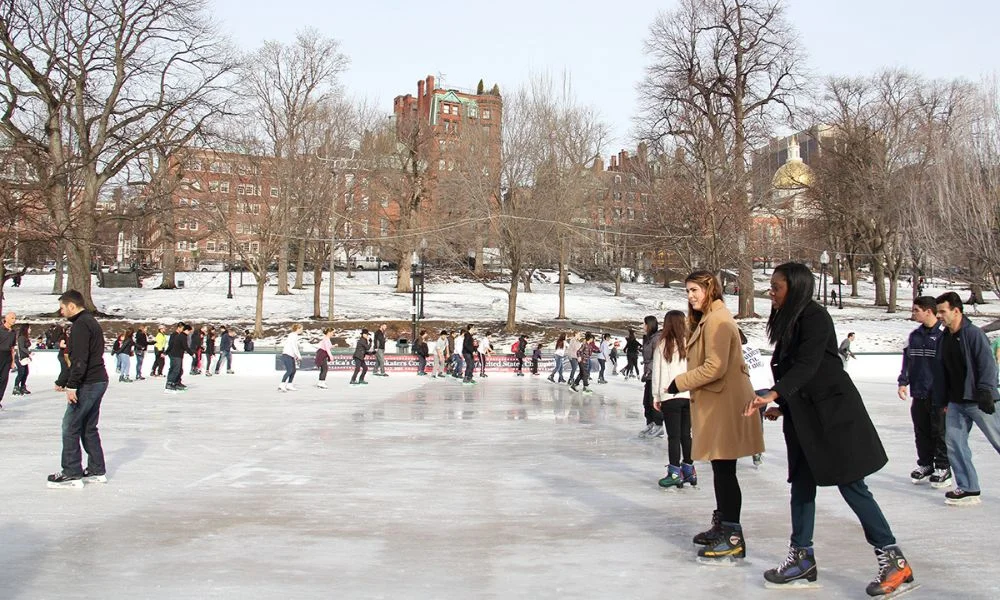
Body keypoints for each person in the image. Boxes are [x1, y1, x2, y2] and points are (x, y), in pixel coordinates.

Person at [746, 263, 912, 596]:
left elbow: (809, 365)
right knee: (802, 486)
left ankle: (893, 559)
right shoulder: (792, 321)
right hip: (806, 417)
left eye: (776, 287)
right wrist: (784, 406)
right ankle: (802, 558)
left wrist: (775, 392)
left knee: (852, 485)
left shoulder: (814, 316)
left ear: (795, 286)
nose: (771, 292)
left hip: (833, 417)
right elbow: (800, 371)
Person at [668, 271, 763, 564]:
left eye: (695, 290)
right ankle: (723, 525)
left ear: (711, 289)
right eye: (687, 291)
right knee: (722, 469)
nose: (691, 296)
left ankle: (732, 536)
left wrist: (680, 382)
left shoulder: (719, 321)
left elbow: (716, 367)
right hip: (718, 403)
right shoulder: (710, 318)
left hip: (725, 404)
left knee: (725, 471)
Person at [935, 291, 1000, 506]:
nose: (939, 316)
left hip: (979, 400)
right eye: (938, 312)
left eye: (943, 311)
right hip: (956, 401)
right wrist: (943, 400)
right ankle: (968, 488)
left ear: (956, 310)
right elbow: (944, 371)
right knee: (954, 443)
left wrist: (985, 391)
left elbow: (987, 364)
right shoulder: (944, 337)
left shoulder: (973, 334)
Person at [47, 290, 110, 488]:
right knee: (88, 427)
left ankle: (71, 471)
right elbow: (77, 357)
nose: (61, 311)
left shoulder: (81, 326)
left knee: (70, 425)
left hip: (89, 382)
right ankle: (96, 470)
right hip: (98, 380)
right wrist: (63, 380)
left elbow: (80, 359)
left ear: (72, 306)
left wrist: (72, 385)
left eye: (63, 308)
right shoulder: (90, 321)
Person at [897, 296, 950, 487]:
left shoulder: (943, 335)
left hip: (937, 393)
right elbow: (908, 362)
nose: (913, 313)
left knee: (939, 431)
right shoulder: (914, 336)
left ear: (928, 311)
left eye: (916, 310)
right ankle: (926, 464)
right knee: (921, 431)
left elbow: (949, 366)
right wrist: (903, 382)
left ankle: (943, 466)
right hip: (918, 392)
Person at [652, 310, 693, 488]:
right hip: (688, 394)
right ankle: (689, 470)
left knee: (674, 436)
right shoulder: (690, 344)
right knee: (686, 434)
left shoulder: (663, 345)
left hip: (669, 395)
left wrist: (656, 396)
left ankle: (675, 471)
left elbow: (657, 372)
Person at [740, 328, 773, 468]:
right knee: (758, 420)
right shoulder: (753, 348)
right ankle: (757, 449)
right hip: (764, 388)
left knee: (741, 418)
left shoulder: (734, 352)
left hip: (751, 388)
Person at [639, 315, 664, 438]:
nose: (643, 326)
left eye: (644, 324)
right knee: (646, 402)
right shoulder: (648, 338)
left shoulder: (657, 338)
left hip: (654, 374)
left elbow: (658, 358)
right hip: (648, 374)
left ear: (649, 325)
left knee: (653, 400)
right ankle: (650, 424)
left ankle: (659, 425)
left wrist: (649, 370)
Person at [278, 324, 303, 391]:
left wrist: (295, 356)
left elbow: (295, 347)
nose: (302, 330)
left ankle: (289, 385)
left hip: (291, 355)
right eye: (301, 329)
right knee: (289, 370)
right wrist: (298, 355)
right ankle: (282, 384)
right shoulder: (293, 335)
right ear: (297, 328)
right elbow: (294, 346)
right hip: (287, 355)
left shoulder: (295, 336)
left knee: (293, 370)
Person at [165, 323, 188, 391]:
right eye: (182, 328)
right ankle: (170, 383)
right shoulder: (174, 335)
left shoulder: (181, 335)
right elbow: (171, 345)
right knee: (175, 369)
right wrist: (166, 352)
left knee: (179, 370)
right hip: (173, 354)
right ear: (179, 327)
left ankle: (177, 382)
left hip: (179, 354)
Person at [12, 323, 32, 395]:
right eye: (29, 328)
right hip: (20, 357)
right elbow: (22, 347)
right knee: (21, 373)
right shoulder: (21, 337)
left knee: (26, 372)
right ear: (26, 329)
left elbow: (26, 346)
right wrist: (29, 352)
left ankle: (22, 386)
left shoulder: (25, 337)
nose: (30, 329)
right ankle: (16, 387)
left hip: (25, 357)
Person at [0, 312, 14, 409]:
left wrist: (13, 361)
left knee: (4, 379)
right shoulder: (0, 330)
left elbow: (12, 347)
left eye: (15, 318)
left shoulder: (13, 332)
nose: (14, 320)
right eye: (12, 318)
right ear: (6, 319)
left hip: (7, 356)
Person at [55, 325, 71, 390]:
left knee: (69, 370)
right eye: (67, 330)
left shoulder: (71, 337)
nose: (69, 331)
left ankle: (64, 384)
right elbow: (61, 345)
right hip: (62, 356)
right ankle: (59, 383)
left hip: (68, 356)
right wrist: (69, 346)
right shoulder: (63, 337)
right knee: (65, 370)